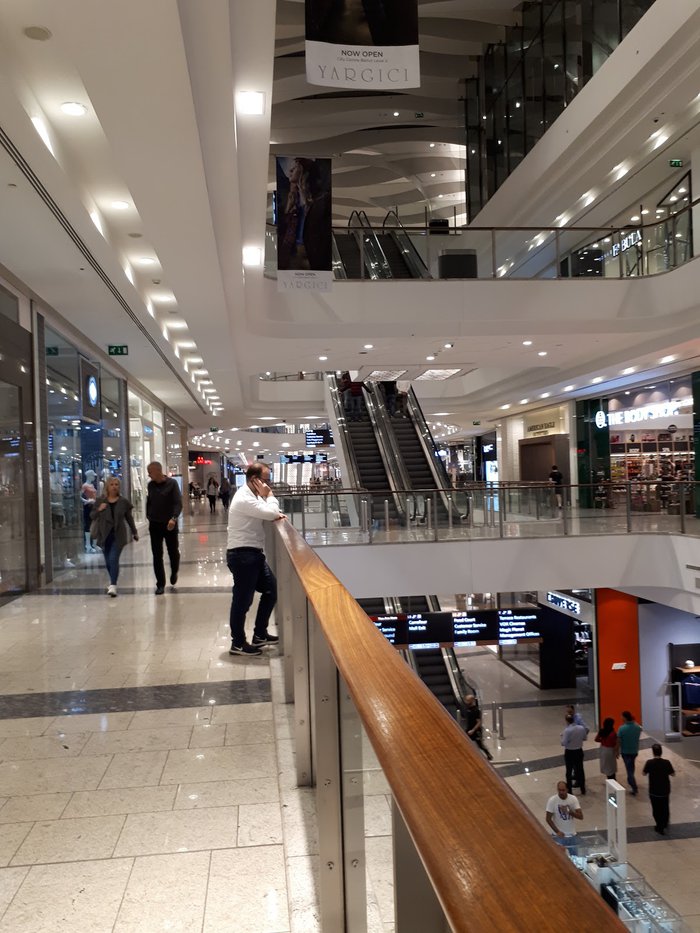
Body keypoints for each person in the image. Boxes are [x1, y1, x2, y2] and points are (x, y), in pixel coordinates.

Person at [226, 462, 285, 656]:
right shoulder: (244, 498)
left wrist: (269, 504)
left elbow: (269, 512)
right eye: (266, 480)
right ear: (254, 480)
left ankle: (259, 634)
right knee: (242, 602)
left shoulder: (252, 496)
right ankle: (237, 643)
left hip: (253, 554)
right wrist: (270, 496)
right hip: (242, 555)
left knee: (272, 590)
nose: (269, 484)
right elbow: (271, 513)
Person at [90, 476, 138, 597]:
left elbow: (129, 518)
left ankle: (113, 585)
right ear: (107, 487)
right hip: (104, 535)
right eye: (112, 484)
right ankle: (112, 581)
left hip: (118, 535)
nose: (114, 487)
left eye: (116, 484)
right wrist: (99, 509)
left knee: (113, 559)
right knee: (108, 561)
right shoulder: (100, 501)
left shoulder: (123, 502)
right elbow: (92, 515)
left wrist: (134, 531)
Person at [146, 461, 182, 596]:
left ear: (157, 471)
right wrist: (148, 515)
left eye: (150, 472)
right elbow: (149, 502)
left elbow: (178, 503)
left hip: (170, 524)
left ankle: (174, 571)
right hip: (155, 524)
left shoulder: (172, 484)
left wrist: (174, 518)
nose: (149, 475)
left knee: (173, 552)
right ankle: (160, 584)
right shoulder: (150, 485)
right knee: (157, 554)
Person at [642, 743, 675, 834]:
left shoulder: (649, 763)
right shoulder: (667, 762)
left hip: (654, 790)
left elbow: (644, 773)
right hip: (665, 790)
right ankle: (665, 823)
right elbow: (673, 774)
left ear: (653, 752)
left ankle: (659, 826)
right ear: (661, 752)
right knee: (665, 807)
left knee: (656, 809)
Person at [545, 781, 583, 846]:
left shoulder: (573, 799)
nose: (561, 792)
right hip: (558, 836)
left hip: (572, 834)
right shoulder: (552, 800)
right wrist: (557, 831)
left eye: (563, 790)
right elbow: (548, 819)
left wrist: (569, 812)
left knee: (574, 852)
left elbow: (581, 816)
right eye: (559, 790)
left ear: (567, 790)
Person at [617, 710, 643, 796]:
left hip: (626, 752)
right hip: (634, 751)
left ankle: (634, 787)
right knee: (631, 766)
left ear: (625, 717)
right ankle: (630, 779)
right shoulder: (637, 727)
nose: (621, 718)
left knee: (629, 770)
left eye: (622, 716)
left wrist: (617, 751)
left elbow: (618, 741)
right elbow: (639, 728)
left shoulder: (622, 728)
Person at [461, 693, 493, 761]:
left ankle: (488, 755)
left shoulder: (476, 710)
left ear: (472, 700)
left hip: (476, 731)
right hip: (469, 729)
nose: (466, 702)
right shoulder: (467, 709)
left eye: (468, 700)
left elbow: (479, 722)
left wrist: (473, 730)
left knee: (480, 744)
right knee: (464, 741)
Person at [561, 713, 587, 795]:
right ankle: (583, 788)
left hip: (569, 752)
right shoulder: (581, 728)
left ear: (567, 721)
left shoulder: (567, 730)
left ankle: (570, 790)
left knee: (569, 771)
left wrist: (562, 737)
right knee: (580, 770)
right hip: (579, 751)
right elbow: (584, 738)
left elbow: (563, 743)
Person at [80, 476, 98, 553]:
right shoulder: (85, 485)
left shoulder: (92, 485)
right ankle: (88, 545)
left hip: (93, 506)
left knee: (94, 524)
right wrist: (86, 501)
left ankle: (94, 544)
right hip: (88, 506)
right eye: (92, 475)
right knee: (88, 524)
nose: (93, 477)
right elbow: (79, 496)